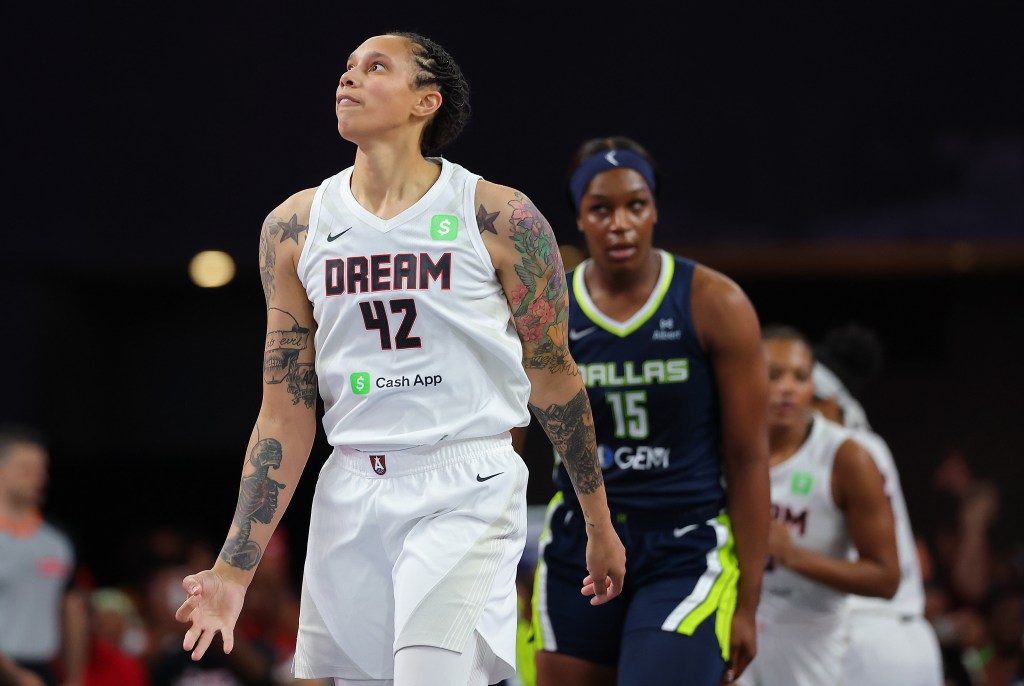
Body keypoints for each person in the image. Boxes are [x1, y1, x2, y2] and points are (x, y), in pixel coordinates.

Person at [173, 30, 626, 686]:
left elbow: (554, 378)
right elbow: (284, 414)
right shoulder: (294, 227)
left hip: (466, 481)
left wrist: (597, 520)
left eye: (375, 67)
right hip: (350, 489)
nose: (347, 79)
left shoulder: (501, 217)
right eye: (347, 68)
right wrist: (232, 571)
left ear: (425, 102)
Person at [529, 136, 771, 686]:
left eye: (635, 205)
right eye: (601, 208)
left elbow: (749, 457)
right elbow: (509, 441)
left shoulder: (715, 302)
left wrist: (751, 604)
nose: (620, 223)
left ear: (655, 209)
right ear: (578, 218)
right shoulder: (549, 312)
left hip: (683, 544)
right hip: (580, 541)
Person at [738, 325, 900, 686]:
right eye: (774, 374)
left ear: (813, 387)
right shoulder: (723, 445)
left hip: (810, 640)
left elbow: (887, 578)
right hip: (734, 621)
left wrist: (793, 556)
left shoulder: (848, 457)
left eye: (800, 376)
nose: (787, 387)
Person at [811, 323, 944, 686]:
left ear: (835, 404)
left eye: (812, 400)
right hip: (905, 637)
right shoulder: (869, 445)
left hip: (864, 639)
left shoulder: (844, 452)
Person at [0, 423, 89, 686]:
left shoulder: (58, 539)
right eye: (27, 469)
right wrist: (13, 674)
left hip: (41, 670)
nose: (39, 478)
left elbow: (72, 608)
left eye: (42, 469)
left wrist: (74, 677)